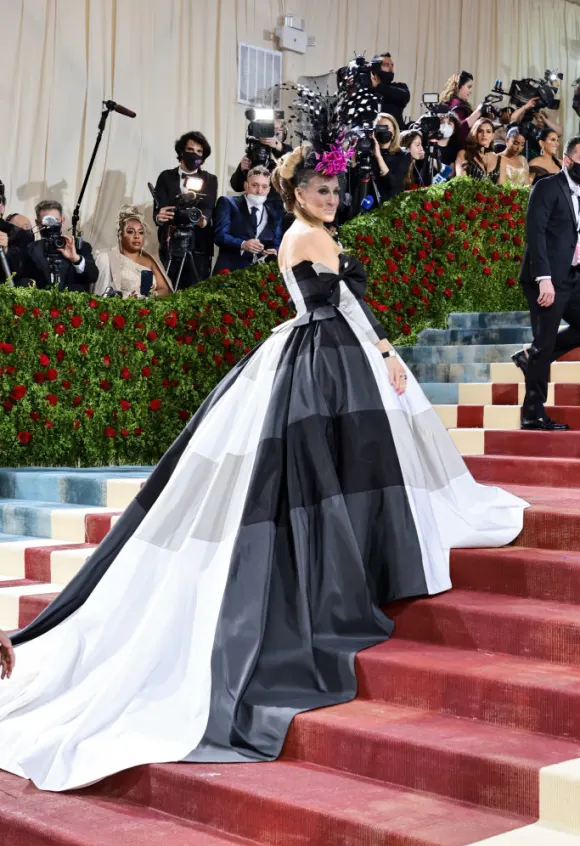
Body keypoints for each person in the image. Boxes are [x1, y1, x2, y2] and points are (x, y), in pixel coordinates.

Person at [0, 140, 526, 794]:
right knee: (325, 476)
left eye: (334, 191)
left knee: (351, 473)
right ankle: (341, 575)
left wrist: (383, 349)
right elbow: (337, 305)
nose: (330, 199)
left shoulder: (315, 233)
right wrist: (386, 350)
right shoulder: (305, 240)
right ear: (296, 195)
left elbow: (349, 303)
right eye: (320, 191)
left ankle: (360, 558)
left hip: (333, 354)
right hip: (326, 357)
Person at [512, 135, 580, 430]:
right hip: (547, 278)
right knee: (545, 341)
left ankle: (532, 358)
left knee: (545, 346)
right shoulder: (548, 187)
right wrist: (544, 280)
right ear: (568, 160)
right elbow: (535, 233)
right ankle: (533, 413)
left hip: (574, 276)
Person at [153, 130, 218, 287]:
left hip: (198, 248)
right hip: (171, 245)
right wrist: (158, 217)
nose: (195, 154)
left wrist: (203, 220)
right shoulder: (165, 177)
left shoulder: (210, 179)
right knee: (167, 290)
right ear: (181, 151)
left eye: (199, 151)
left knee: (196, 293)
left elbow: (208, 209)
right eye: (190, 150)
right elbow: (158, 209)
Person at [14, 200, 98, 292]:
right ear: (38, 223)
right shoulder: (30, 250)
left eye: (55, 221)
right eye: (47, 222)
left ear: (63, 220)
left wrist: (76, 259)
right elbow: (17, 281)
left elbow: (92, 277)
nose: (51, 227)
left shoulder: (79, 247)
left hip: (73, 304)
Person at [213, 166, 283, 275]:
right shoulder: (227, 203)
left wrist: (274, 250)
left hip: (259, 276)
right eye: (255, 185)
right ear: (246, 185)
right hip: (228, 272)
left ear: (269, 189)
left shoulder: (274, 213)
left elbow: (276, 242)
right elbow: (220, 236)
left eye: (264, 187)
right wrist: (243, 244)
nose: (259, 191)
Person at [93, 206, 171, 298]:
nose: (137, 236)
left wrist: (151, 296)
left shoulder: (150, 259)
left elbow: (164, 289)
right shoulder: (106, 258)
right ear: (120, 235)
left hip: (149, 309)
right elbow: (101, 295)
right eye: (130, 232)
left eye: (141, 232)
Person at [370, 112, 411, 203]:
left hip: (390, 206)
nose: (383, 131)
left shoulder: (403, 154)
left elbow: (393, 185)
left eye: (387, 128)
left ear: (394, 131)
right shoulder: (368, 154)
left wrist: (378, 157)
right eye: (380, 128)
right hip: (368, 204)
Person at [439, 71, 483, 148]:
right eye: (468, 87)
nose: (470, 91)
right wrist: (479, 112)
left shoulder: (451, 102)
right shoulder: (456, 104)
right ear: (459, 86)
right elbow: (460, 129)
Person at [455, 118, 506, 183]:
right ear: (474, 133)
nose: (484, 134)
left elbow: (501, 188)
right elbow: (461, 183)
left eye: (488, 131)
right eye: (480, 131)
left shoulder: (500, 160)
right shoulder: (464, 154)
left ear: (493, 135)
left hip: (494, 193)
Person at [370, 52, 410, 128]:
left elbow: (404, 96)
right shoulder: (368, 89)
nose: (391, 68)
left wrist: (378, 86)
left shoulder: (400, 87)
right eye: (386, 65)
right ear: (376, 68)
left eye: (392, 65)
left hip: (395, 135)